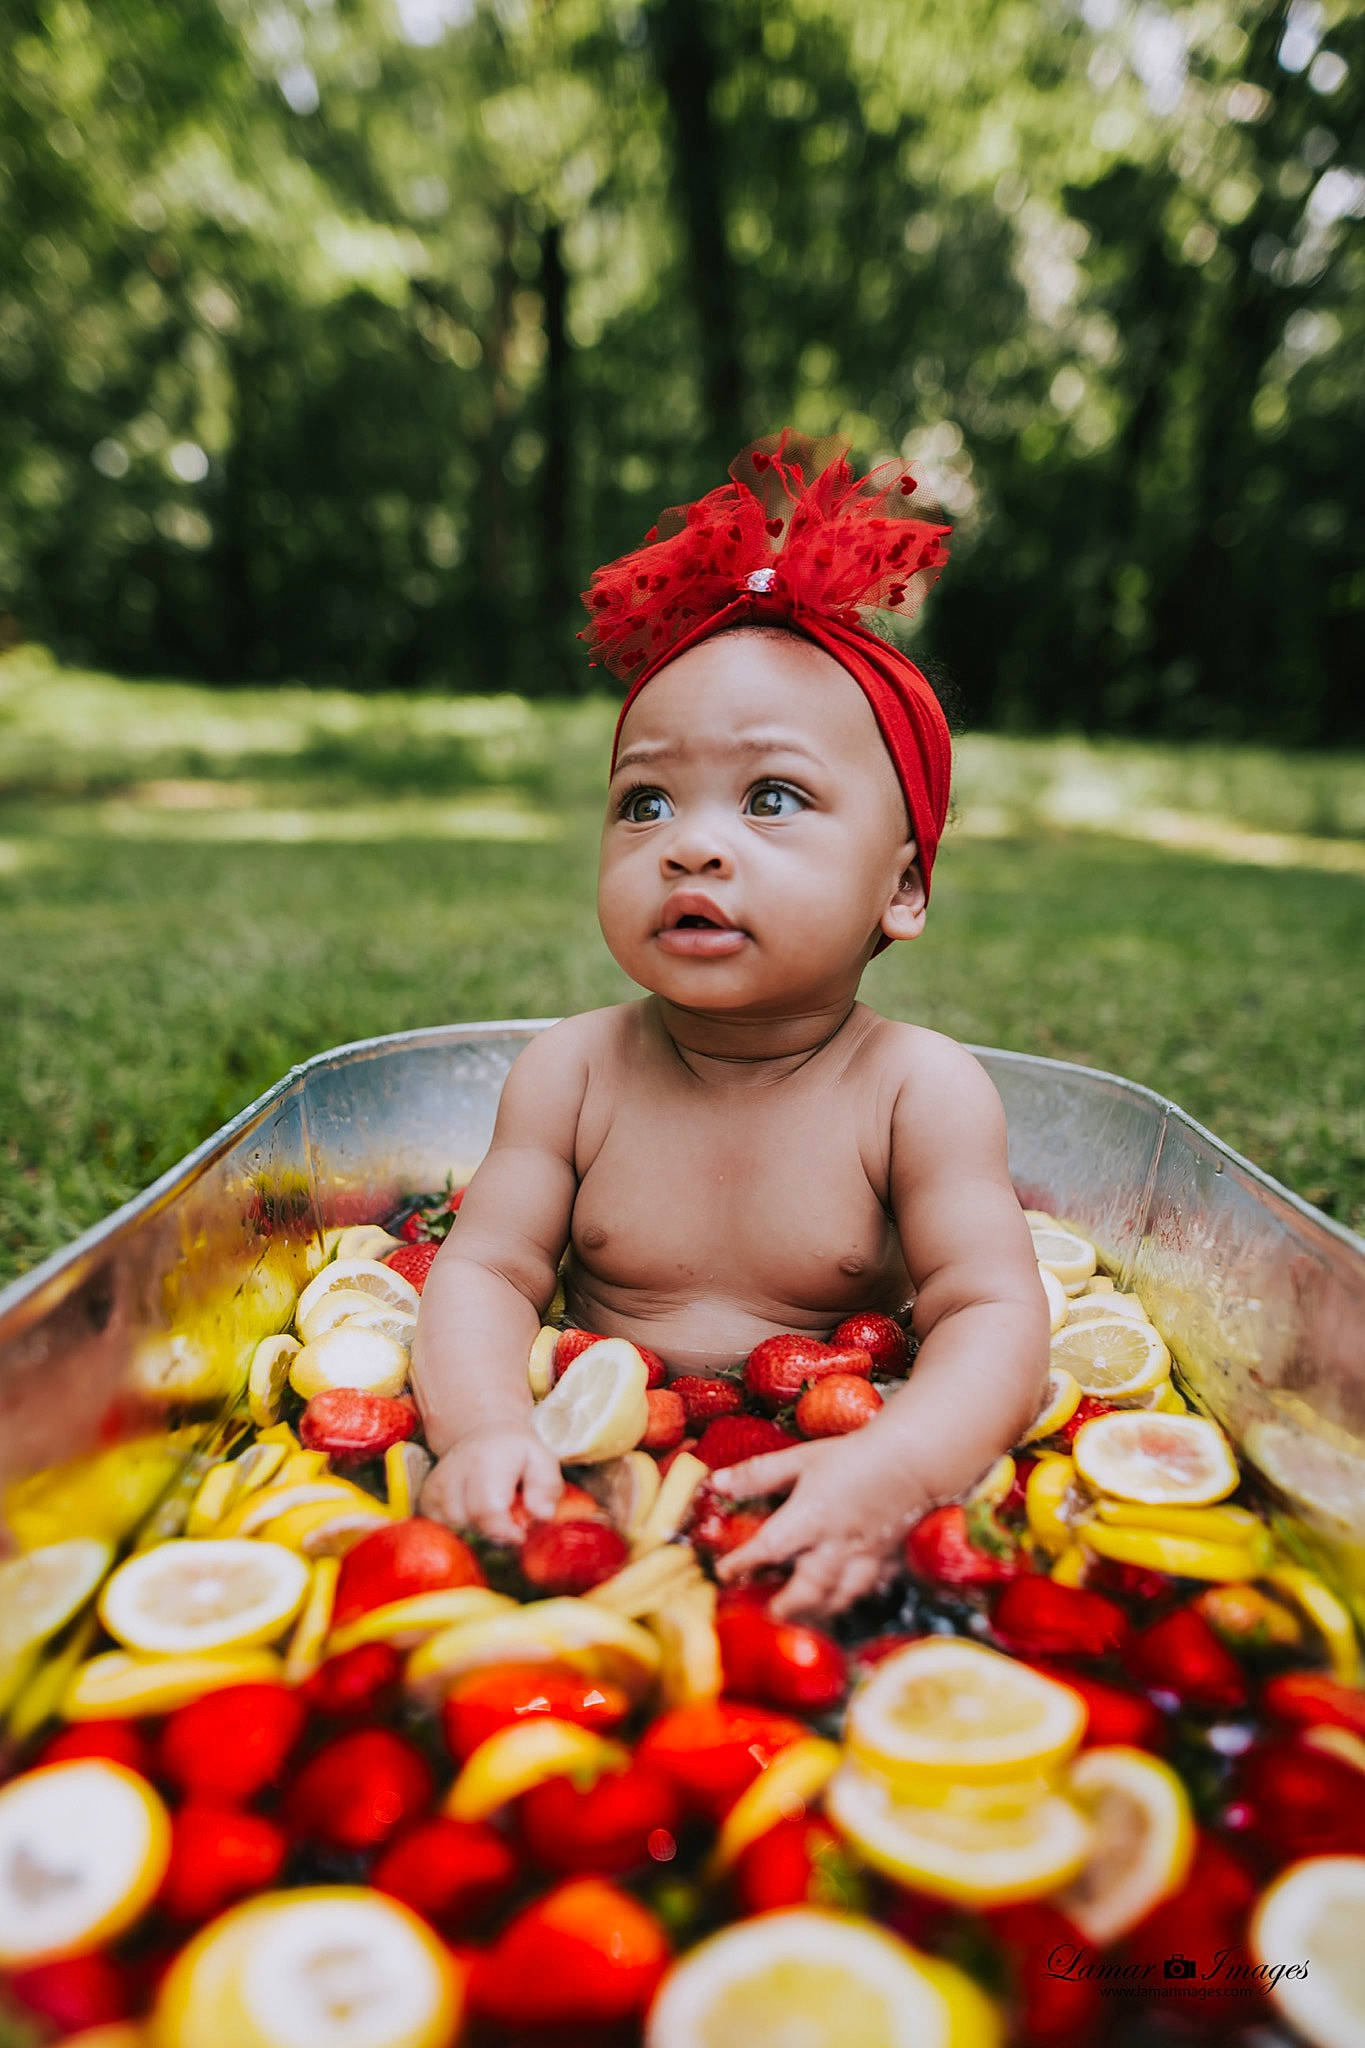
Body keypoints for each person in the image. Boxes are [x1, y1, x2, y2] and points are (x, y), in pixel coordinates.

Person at [413, 431, 1049, 1619]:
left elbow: (995, 1316)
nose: (690, 843)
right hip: (590, 1466)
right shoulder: (571, 1075)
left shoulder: (920, 1093)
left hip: (842, 1471)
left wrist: (897, 1465)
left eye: (773, 797)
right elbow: (487, 1272)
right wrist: (487, 1427)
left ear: (902, 889)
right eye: (644, 800)